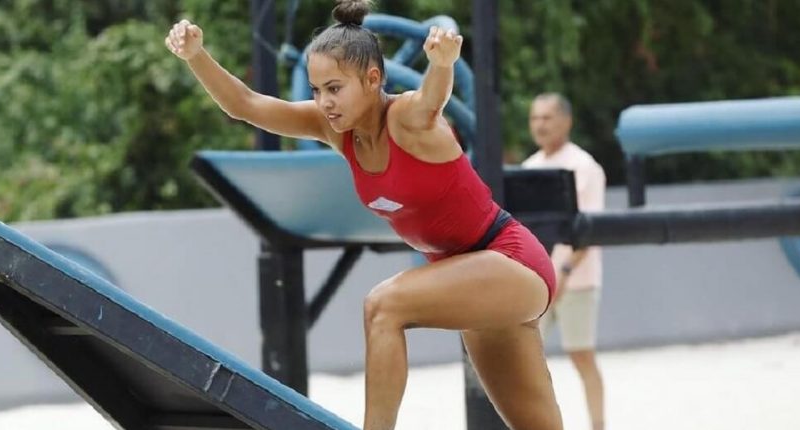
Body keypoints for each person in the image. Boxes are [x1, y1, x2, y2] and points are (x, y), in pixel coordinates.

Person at [166, 1, 562, 428]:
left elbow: (432, 100)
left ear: (373, 79)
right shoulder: (334, 129)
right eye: (316, 90)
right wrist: (196, 56)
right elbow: (245, 104)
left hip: (510, 260)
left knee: (383, 306)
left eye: (334, 88)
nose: (324, 102)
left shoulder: (406, 118)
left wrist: (442, 64)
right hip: (470, 279)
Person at [523, 93, 607, 430]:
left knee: (581, 355)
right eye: (535, 118)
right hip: (536, 283)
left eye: (547, 117)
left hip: (577, 280)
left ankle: (598, 425)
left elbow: (591, 227)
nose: (540, 125)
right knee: (525, 359)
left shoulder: (584, 167)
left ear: (566, 122)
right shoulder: (529, 168)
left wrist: (566, 270)